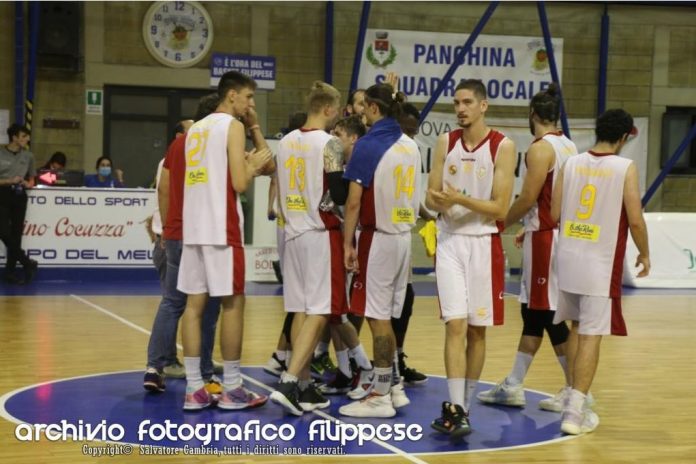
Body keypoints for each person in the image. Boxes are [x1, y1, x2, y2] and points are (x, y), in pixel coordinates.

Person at [477, 84, 580, 411]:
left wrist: (501, 222)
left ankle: (573, 389)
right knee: (537, 312)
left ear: (533, 115)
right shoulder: (569, 145)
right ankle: (519, 383)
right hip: (555, 234)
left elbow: (528, 197)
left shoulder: (540, 149)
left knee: (543, 313)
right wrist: (528, 227)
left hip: (547, 238)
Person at [176, 71, 273, 411]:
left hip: (195, 226)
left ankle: (194, 388)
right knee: (233, 303)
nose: (250, 105)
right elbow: (239, 184)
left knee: (193, 306)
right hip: (221, 225)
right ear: (232, 95)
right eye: (248, 98)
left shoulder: (195, 129)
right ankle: (232, 388)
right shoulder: (231, 126)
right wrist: (254, 165)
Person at [426, 79, 516, 439]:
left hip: (483, 243)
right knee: (455, 325)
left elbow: (500, 207)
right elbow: (431, 197)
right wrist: (438, 201)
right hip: (450, 242)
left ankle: (466, 404)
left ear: (483, 106)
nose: (460, 108)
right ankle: (455, 407)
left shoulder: (503, 147)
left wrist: (459, 199)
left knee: (477, 331)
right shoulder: (444, 142)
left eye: (467, 102)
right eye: (456, 103)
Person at [551, 108, 649, 435]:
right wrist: (645, 253)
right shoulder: (625, 167)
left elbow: (554, 211)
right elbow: (635, 218)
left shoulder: (572, 162)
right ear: (623, 138)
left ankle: (571, 396)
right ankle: (574, 412)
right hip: (598, 264)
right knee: (591, 334)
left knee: (577, 327)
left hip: (567, 258)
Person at [338, 83, 422, 418]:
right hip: (403, 237)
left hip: (379, 238)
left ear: (373, 108)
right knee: (386, 314)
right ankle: (395, 387)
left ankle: (381, 394)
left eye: (363, 108)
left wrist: (348, 243)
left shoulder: (370, 143)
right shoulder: (409, 145)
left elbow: (354, 201)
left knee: (376, 317)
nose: (359, 112)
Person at [269, 81, 346, 416]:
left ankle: (302, 387)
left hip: (293, 233)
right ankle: (288, 383)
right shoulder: (330, 143)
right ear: (328, 109)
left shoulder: (285, 141)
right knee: (320, 310)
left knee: (300, 308)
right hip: (318, 232)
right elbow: (338, 195)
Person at [143, 111, 223, 393]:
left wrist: (164, 228)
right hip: (192, 235)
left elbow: (163, 191)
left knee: (174, 302)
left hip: (173, 234)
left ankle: (156, 367)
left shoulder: (174, 151)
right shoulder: (200, 149)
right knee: (205, 305)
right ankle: (201, 370)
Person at [0, 124, 38, 284]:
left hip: (19, 194)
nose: (26, 139)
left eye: (27, 136)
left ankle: (10, 272)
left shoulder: (28, 156)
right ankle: (27, 262)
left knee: (16, 234)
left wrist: (28, 183)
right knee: (3, 231)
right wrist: (9, 180)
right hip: (2, 193)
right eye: (23, 136)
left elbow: (32, 178)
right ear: (14, 137)